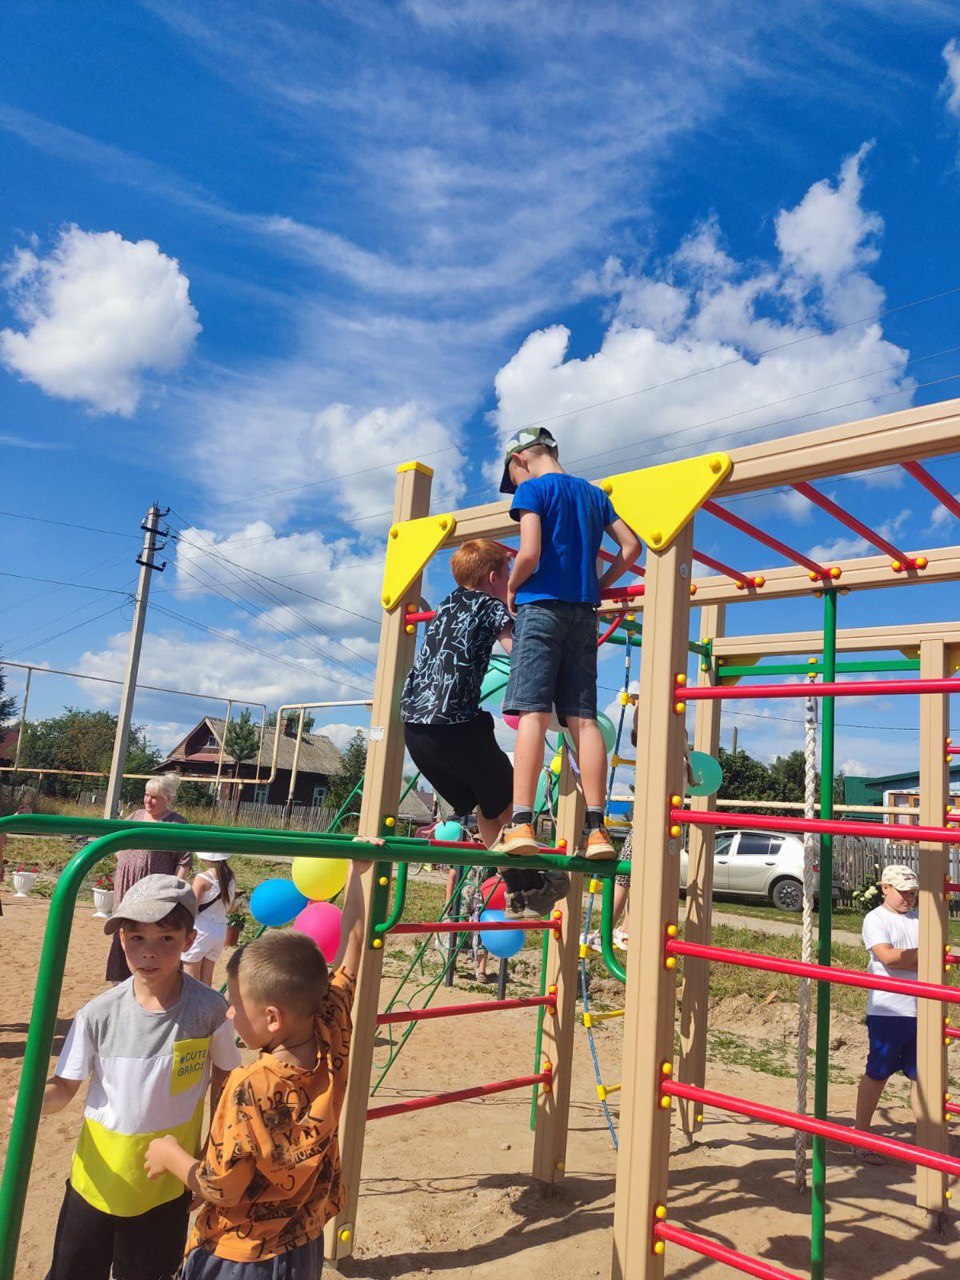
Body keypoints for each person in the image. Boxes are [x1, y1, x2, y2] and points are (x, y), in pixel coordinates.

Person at [143, 858, 370, 1278]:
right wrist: (359, 873)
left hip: (241, 1253)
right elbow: (352, 951)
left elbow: (222, 1188)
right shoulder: (331, 1024)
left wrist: (171, 1156)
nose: (229, 1013)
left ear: (271, 1019)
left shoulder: (250, 1086)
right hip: (304, 1240)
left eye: (235, 1003)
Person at [7, 874, 241, 1280]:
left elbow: (226, 1077)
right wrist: (34, 1102)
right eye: (137, 939)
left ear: (189, 939)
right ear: (121, 940)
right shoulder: (98, 1014)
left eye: (166, 939)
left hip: (166, 1186)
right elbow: (65, 1087)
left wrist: (210, 1151)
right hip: (96, 1182)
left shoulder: (208, 1010)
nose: (149, 953)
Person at [493, 426, 641, 861]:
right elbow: (631, 547)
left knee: (533, 713)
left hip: (540, 609)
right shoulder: (594, 496)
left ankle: (521, 823)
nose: (514, 488)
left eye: (512, 479)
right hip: (583, 613)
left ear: (519, 460)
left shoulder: (534, 491)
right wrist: (601, 584)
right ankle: (597, 831)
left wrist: (512, 589)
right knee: (584, 719)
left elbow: (530, 552)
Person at [402, 538, 568, 919]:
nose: (512, 580)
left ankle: (517, 888)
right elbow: (517, 652)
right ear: (494, 578)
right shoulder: (490, 605)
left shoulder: (444, 606)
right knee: (511, 798)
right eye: (509, 574)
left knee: (486, 805)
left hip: (415, 729)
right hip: (455, 726)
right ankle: (537, 878)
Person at [853, 863, 920, 1162]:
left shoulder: (921, 919)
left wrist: (914, 959)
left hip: (922, 1009)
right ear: (885, 888)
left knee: (923, 1077)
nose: (909, 898)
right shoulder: (876, 919)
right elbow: (889, 957)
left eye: (913, 893)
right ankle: (860, 1135)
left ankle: (927, 1139)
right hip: (888, 1009)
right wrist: (925, 955)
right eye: (903, 892)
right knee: (878, 1072)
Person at [106, 775, 193, 982]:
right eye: (146, 795)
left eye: (155, 797)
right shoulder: (135, 816)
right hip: (127, 885)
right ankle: (121, 982)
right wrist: (127, 860)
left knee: (150, 929)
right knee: (125, 929)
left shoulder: (176, 823)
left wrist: (173, 892)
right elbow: (116, 842)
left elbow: (184, 860)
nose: (148, 801)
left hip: (154, 888)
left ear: (168, 799)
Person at [183, 852, 238, 986]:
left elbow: (192, 906)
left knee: (191, 982)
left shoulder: (202, 878)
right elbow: (230, 908)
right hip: (220, 929)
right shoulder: (231, 878)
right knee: (206, 983)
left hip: (200, 929)